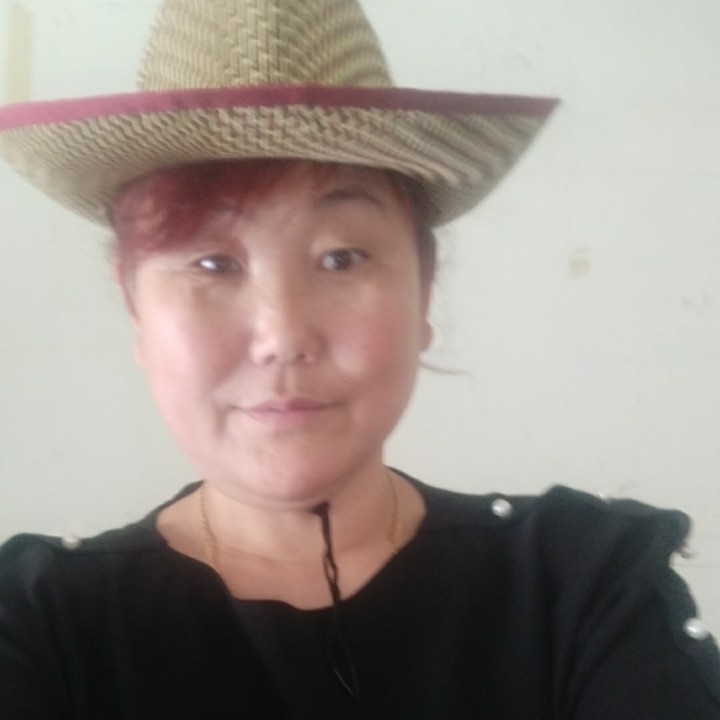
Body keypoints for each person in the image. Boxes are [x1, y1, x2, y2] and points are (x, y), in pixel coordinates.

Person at [0, 0, 718, 717]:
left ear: (423, 290)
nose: (283, 335)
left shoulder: (580, 583)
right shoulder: (38, 622)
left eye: (341, 258)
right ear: (135, 308)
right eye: (213, 263)